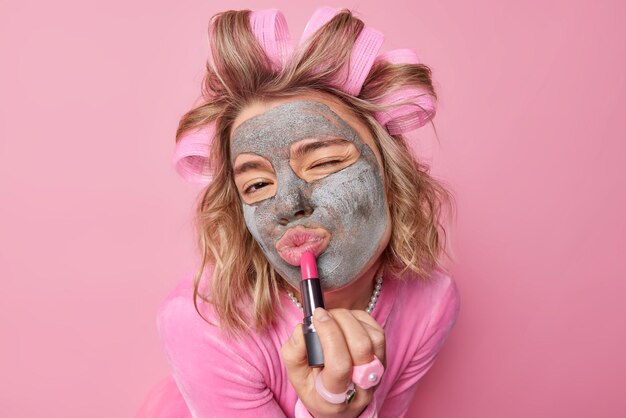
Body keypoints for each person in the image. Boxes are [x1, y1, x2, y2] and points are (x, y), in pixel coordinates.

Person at [137, 6, 460, 418]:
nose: (289, 205)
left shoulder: (433, 302)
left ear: (390, 175)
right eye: (256, 185)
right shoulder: (201, 320)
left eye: (324, 162)